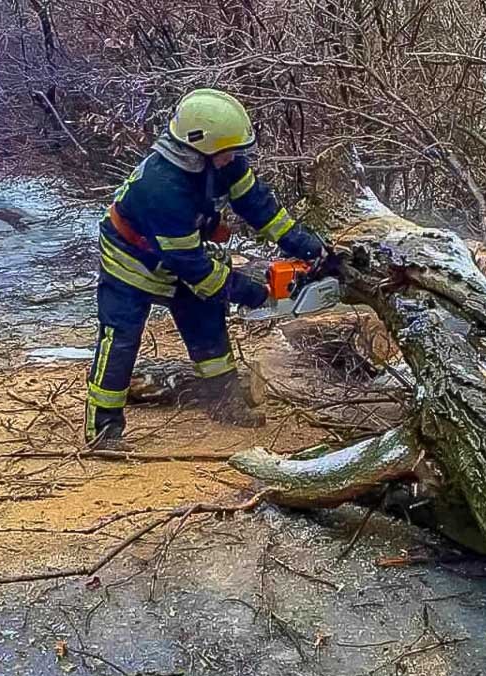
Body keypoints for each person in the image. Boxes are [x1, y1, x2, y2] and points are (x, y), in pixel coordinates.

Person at [84, 88, 331, 447]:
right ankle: (103, 430)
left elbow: (257, 204)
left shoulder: (222, 162)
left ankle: (223, 401)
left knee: (206, 321)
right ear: (198, 148)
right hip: (130, 258)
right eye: (228, 151)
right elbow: (190, 264)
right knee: (120, 338)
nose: (234, 158)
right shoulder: (163, 187)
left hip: (178, 250)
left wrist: (302, 243)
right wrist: (247, 291)